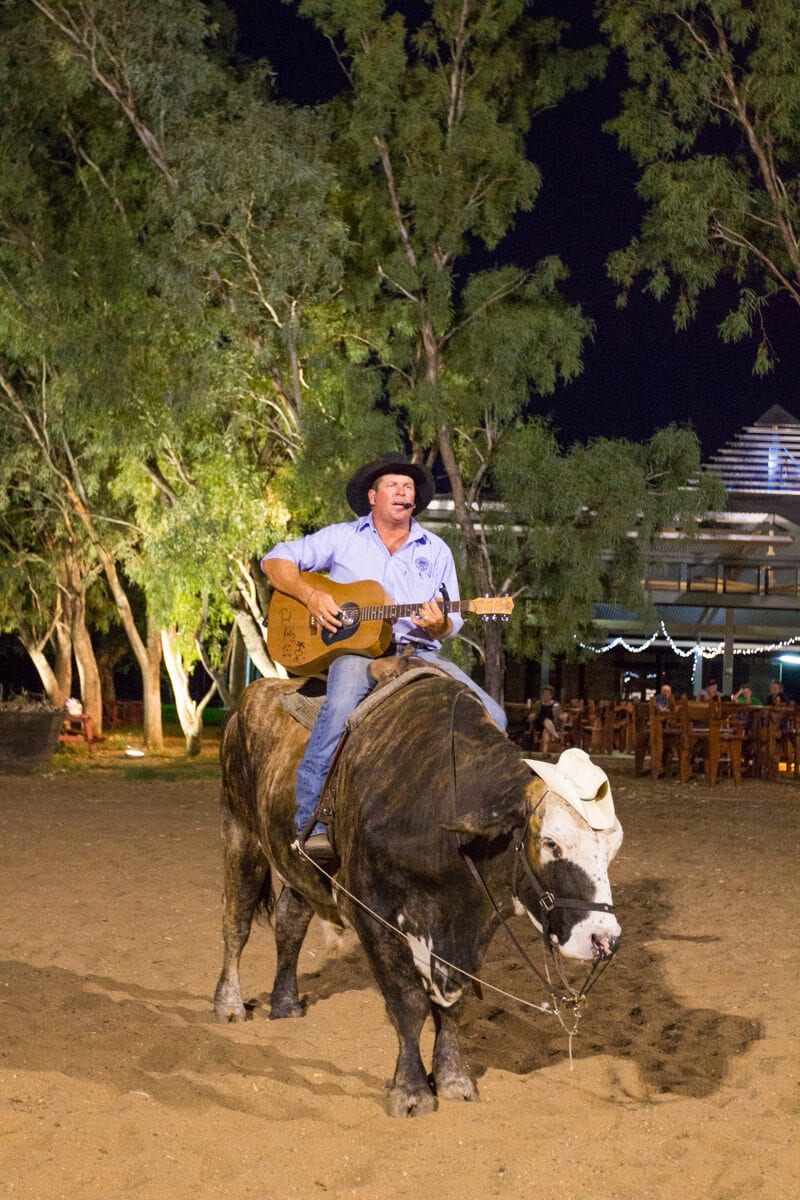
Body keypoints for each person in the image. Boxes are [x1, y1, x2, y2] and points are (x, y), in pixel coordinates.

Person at [261, 451, 507, 857]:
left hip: (419, 652)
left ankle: (471, 816)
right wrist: (311, 595)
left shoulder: (438, 550)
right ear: (373, 496)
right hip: (357, 654)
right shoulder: (341, 537)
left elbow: (452, 621)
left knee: (494, 716)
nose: (402, 491)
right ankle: (312, 818)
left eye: (408, 486)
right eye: (393, 484)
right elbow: (275, 560)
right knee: (340, 708)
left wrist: (439, 625)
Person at [525, 686, 563, 755]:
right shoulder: (538, 704)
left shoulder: (556, 704)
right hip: (539, 723)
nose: (545, 695)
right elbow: (534, 713)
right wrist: (532, 715)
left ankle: (544, 752)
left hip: (552, 724)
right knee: (545, 720)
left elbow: (559, 715)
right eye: (544, 693)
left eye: (547, 694)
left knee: (546, 730)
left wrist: (562, 716)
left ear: (551, 695)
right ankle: (556, 736)